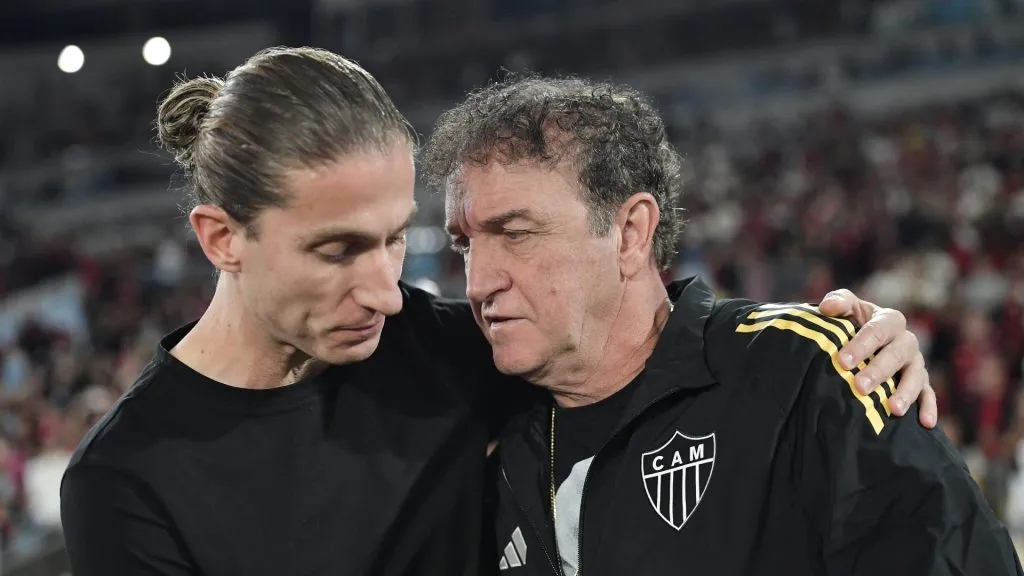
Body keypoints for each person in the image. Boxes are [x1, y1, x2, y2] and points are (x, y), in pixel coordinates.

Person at [60, 48, 934, 576]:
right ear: (221, 238)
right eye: (336, 250)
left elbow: (629, 339)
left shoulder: (442, 350)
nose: (383, 287)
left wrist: (835, 343)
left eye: (396, 239)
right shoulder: (128, 483)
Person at [422, 74, 1023, 575]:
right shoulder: (478, 431)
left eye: (517, 234)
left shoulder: (806, 376)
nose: (477, 283)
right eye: (466, 245)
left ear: (630, 233)